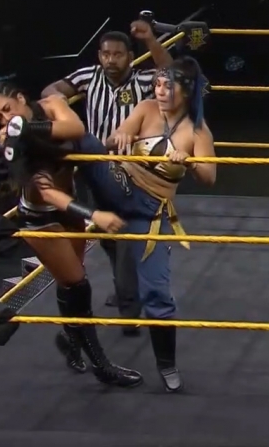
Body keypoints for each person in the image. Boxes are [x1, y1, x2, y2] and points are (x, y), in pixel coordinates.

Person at [0, 81, 143, 388]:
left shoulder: (50, 105)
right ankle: (101, 365)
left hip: (68, 206)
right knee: (78, 284)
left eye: (7, 109)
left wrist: (27, 128)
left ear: (21, 97)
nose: (6, 119)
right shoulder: (16, 148)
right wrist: (95, 215)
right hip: (42, 220)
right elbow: (48, 193)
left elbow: (75, 129)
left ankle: (72, 342)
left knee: (70, 281)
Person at [78, 55, 216, 392]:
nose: (161, 91)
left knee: (157, 292)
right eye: (158, 85)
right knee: (83, 140)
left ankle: (167, 364)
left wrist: (190, 161)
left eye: (169, 86)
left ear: (186, 90)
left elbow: (209, 177)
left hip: (150, 212)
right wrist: (120, 137)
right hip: (119, 185)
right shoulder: (146, 108)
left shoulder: (197, 131)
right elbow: (114, 137)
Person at [41, 22, 174, 335]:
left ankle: (130, 308)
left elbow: (169, 73)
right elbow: (51, 91)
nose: (111, 60)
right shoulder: (87, 77)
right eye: (106, 54)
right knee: (108, 236)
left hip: (132, 170)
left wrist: (150, 40)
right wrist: (58, 103)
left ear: (130, 56)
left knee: (125, 236)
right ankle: (126, 288)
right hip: (94, 167)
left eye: (117, 54)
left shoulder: (143, 80)